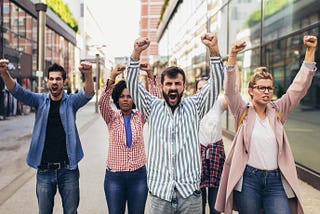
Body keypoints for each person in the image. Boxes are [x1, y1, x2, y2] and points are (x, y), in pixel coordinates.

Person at [215, 35, 318, 214]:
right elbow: (230, 89)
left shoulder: (278, 110)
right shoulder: (242, 110)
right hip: (248, 180)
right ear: (251, 91)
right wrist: (232, 55)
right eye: (261, 88)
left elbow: (298, 88)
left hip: (275, 180)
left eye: (269, 88)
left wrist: (310, 52)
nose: (266, 92)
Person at [126, 33, 224, 214]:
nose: (173, 88)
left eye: (177, 84)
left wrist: (214, 51)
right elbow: (132, 84)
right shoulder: (151, 106)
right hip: (159, 194)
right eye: (169, 84)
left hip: (189, 195)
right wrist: (136, 53)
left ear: (184, 86)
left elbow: (216, 84)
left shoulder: (195, 106)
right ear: (161, 86)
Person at [0, 59, 94, 214]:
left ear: (64, 81)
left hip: (68, 169)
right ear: (47, 81)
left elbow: (87, 93)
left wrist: (89, 74)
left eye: (58, 79)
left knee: (71, 212)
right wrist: (4, 74)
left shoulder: (70, 102)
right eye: (51, 79)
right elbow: (18, 91)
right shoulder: (40, 101)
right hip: (44, 170)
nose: (54, 82)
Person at [98, 63, 159, 214]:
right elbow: (102, 102)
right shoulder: (111, 117)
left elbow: (155, 102)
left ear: (134, 99)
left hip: (138, 177)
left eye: (129, 96)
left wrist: (150, 75)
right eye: (122, 96)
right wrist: (112, 77)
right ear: (117, 99)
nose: (125, 100)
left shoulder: (140, 116)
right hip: (114, 178)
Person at [196, 65, 241, 214]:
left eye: (205, 88)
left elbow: (235, 92)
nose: (202, 91)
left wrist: (236, 69)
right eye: (199, 88)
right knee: (198, 200)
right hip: (197, 153)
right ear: (196, 91)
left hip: (216, 152)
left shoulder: (218, 102)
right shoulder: (192, 104)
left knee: (215, 200)